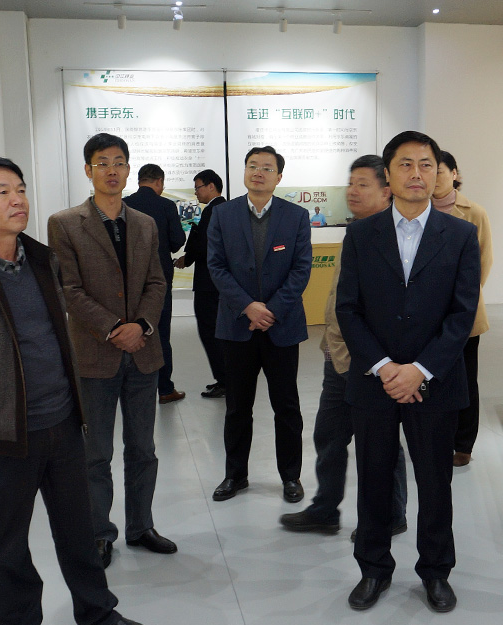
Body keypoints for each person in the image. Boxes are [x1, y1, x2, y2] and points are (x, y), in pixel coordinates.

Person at [0, 157, 156, 625]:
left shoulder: (42, 258)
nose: (18, 200)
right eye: (2, 192)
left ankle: (97, 615)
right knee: (8, 544)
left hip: (63, 422)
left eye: (20, 188)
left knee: (79, 530)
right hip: (4, 437)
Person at [336, 131, 480, 613]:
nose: (417, 174)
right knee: (374, 480)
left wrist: (419, 369)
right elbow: (348, 308)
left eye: (426, 164)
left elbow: (461, 314)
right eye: (405, 164)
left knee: (436, 484)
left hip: (434, 383)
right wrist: (384, 368)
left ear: (439, 172)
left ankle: (436, 572)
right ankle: (373, 569)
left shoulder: (460, 235)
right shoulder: (361, 235)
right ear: (389, 174)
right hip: (374, 382)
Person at [48, 133, 178, 570]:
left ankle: (141, 526)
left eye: (119, 162)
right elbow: (69, 289)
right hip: (95, 355)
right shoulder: (65, 223)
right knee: (95, 454)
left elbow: (157, 281)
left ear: (128, 169)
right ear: (88, 170)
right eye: (102, 163)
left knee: (143, 449)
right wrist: (113, 329)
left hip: (142, 352)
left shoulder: (145, 223)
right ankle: (100, 534)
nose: (112, 170)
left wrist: (140, 325)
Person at [280, 155, 409, 538]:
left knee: (382, 442)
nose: (352, 191)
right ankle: (325, 510)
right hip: (337, 357)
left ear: (387, 192)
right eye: (351, 182)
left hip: (373, 363)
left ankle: (391, 514)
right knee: (329, 436)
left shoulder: (394, 239)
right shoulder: (357, 232)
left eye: (363, 184)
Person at [206, 146, 311, 503]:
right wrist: (248, 307)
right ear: (244, 171)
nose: (258, 172)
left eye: (267, 167)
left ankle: (291, 477)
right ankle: (235, 475)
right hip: (237, 326)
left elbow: (301, 269)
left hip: (282, 327)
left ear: (279, 176)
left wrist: (272, 310)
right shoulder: (223, 214)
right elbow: (216, 266)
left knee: (287, 406)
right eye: (252, 165)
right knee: (237, 407)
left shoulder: (296, 216)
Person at [431, 150, 493, 467]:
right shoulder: (417, 209)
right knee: (431, 377)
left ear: (454, 174)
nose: (433, 177)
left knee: (466, 379)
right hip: (427, 315)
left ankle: (463, 443)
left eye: (439, 171)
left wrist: (462, 299)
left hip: (465, 314)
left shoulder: (474, 212)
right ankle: (434, 436)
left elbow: (484, 261)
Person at [123, 163, 187, 404]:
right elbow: (177, 241)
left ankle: (131, 388)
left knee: (130, 329)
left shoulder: (124, 204)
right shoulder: (166, 205)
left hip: (129, 279)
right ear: (159, 181)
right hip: (159, 279)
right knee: (160, 334)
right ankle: (165, 389)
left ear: (139, 180)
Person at [175, 169, 227, 398]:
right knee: (216, 331)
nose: (195, 192)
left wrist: (187, 258)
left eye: (198, 187)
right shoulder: (224, 209)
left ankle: (225, 380)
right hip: (218, 283)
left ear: (211, 186)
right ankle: (224, 379)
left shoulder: (213, 211)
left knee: (210, 331)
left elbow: (204, 245)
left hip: (209, 283)